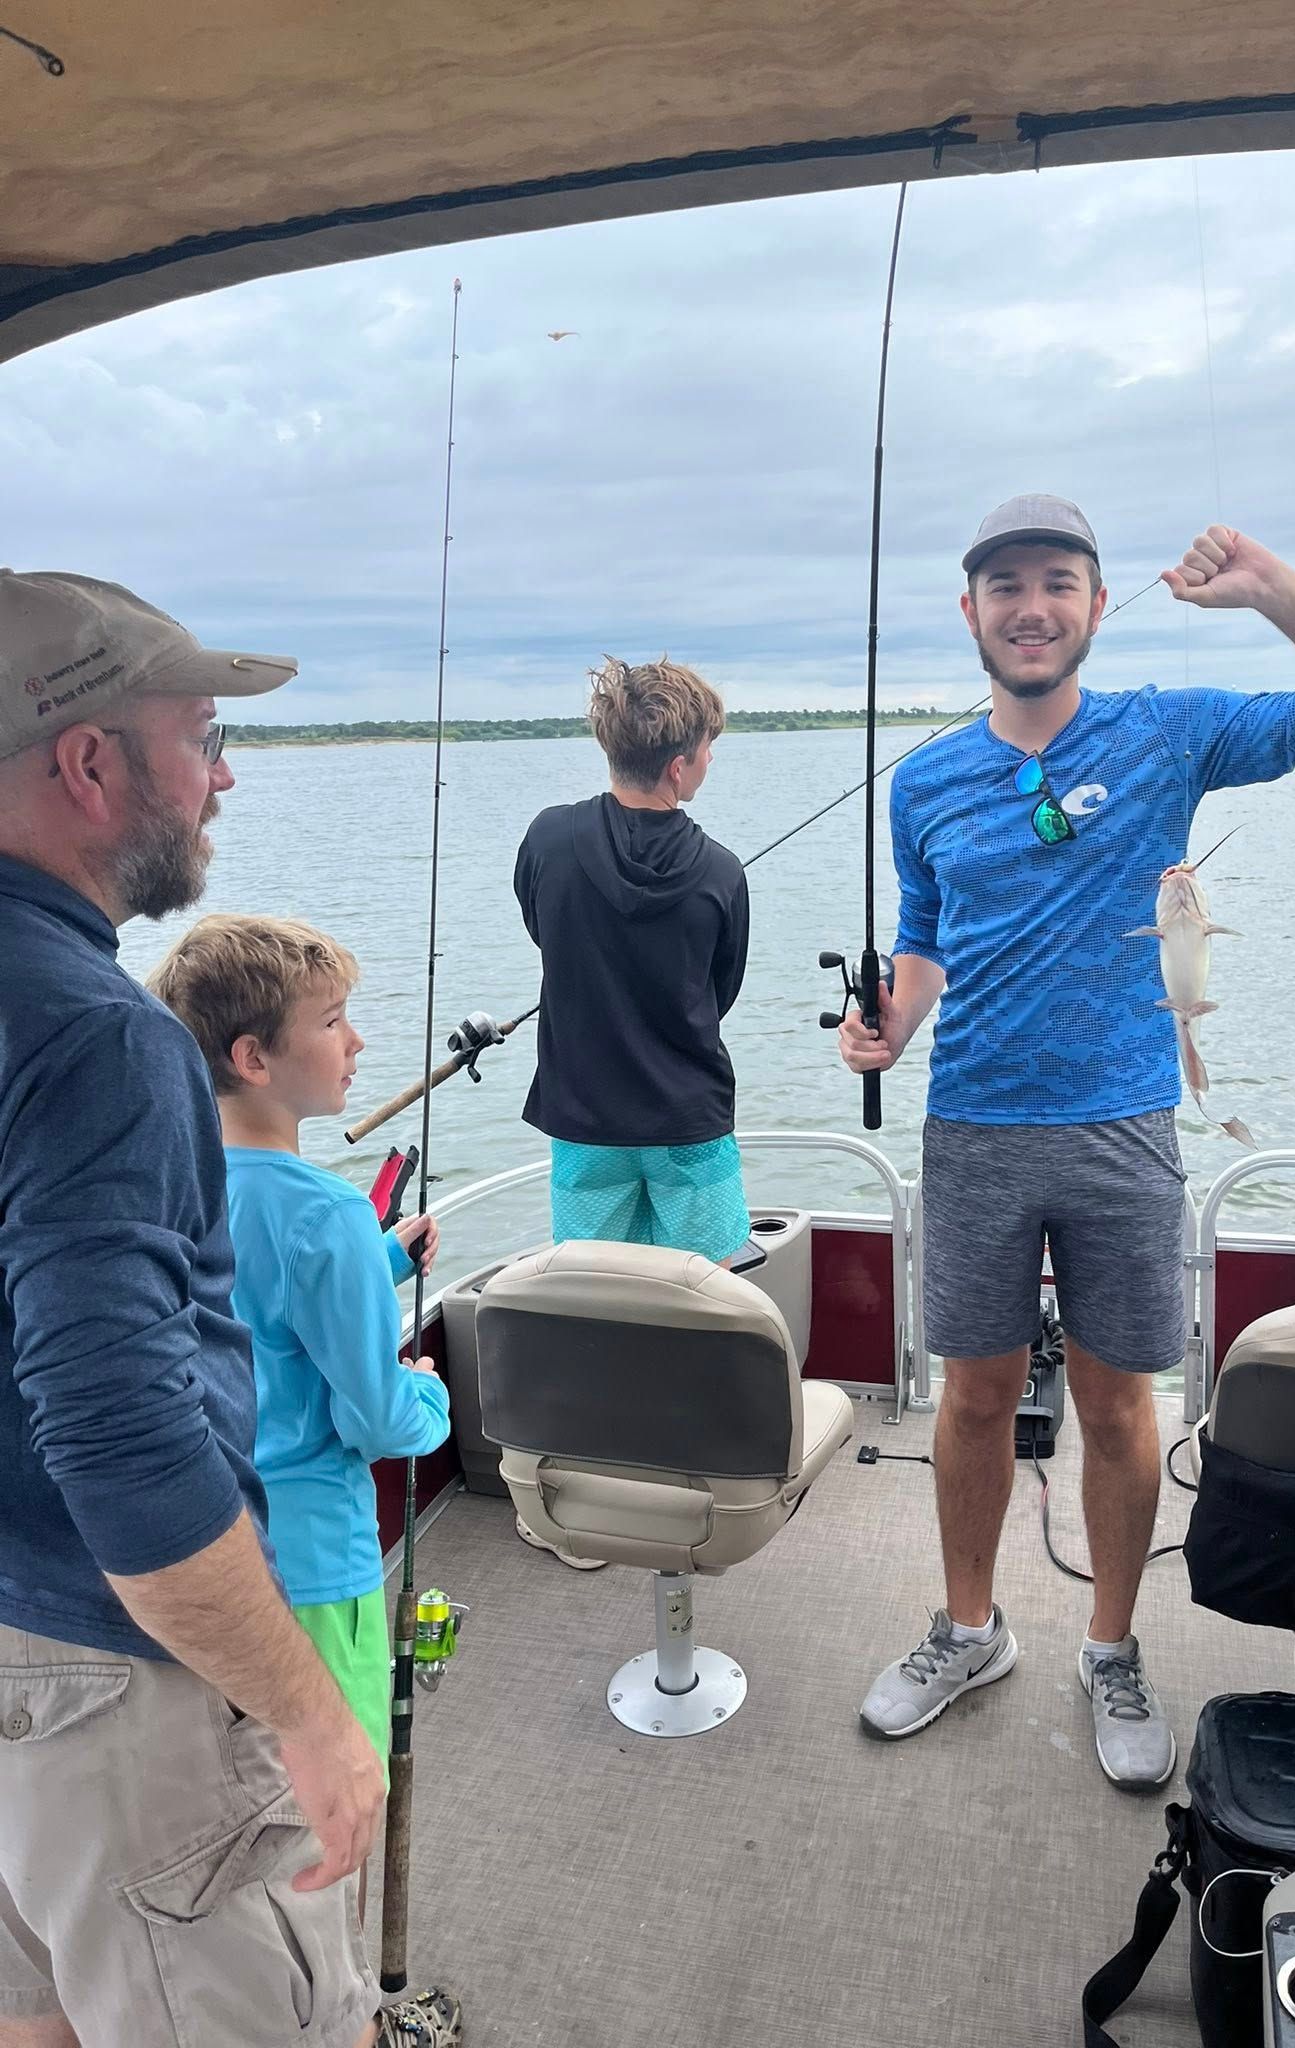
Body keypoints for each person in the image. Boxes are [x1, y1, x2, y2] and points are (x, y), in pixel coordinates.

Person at [841, 499, 1295, 1785]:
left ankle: (1110, 1644)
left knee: (1116, 1401)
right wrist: (888, 1020)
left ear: (1099, 605)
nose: (1031, 606)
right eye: (1005, 585)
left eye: (1058, 581)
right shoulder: (924, 779)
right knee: (973, 1395)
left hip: (1123, 1127)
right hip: (974, 1124)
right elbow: (926, 936)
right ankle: (970, 1628)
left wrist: (1271, 588)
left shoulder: (1166, 729)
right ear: (970, 611)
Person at [0, 569, 460, 2047]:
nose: (224, 778)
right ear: (90, 762)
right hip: (106, 1672)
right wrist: (312, 1716)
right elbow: (122, 1436)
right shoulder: (98, 1036)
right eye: (202, 737)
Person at [147, 912, 453, 1903]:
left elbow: (246, 1308)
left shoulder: (167, 1183)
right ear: (253, 1057)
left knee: (242, 1796)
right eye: (332, 1021)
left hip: (211, 1564)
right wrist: (432, 1394)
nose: (356, 1041)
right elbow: (378, 1420)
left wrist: (380, 1259)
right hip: (319, 1570)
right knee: (333, 1816)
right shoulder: (326, 1214)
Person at [511, 654, 752, 1567]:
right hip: (689, 1126)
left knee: (592, 1312)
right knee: (703, 1307)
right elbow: (720, 991)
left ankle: (586, 1507)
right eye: (709, 751)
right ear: (682, 765)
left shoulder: (549, 838)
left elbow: (541, 925)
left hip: (582, 1123)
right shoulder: (720, 870)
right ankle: (696, 1487)